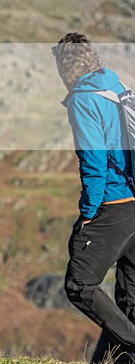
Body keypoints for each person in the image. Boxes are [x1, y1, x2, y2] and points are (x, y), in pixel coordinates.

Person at [54, 33, 135, 361]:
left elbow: (94, 160)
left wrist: (88, 212)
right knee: (130, 298)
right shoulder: (117, 87)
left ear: (65, 66)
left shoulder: (84, 97)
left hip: (113, 204)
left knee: (79, 284)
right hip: (134, 202)